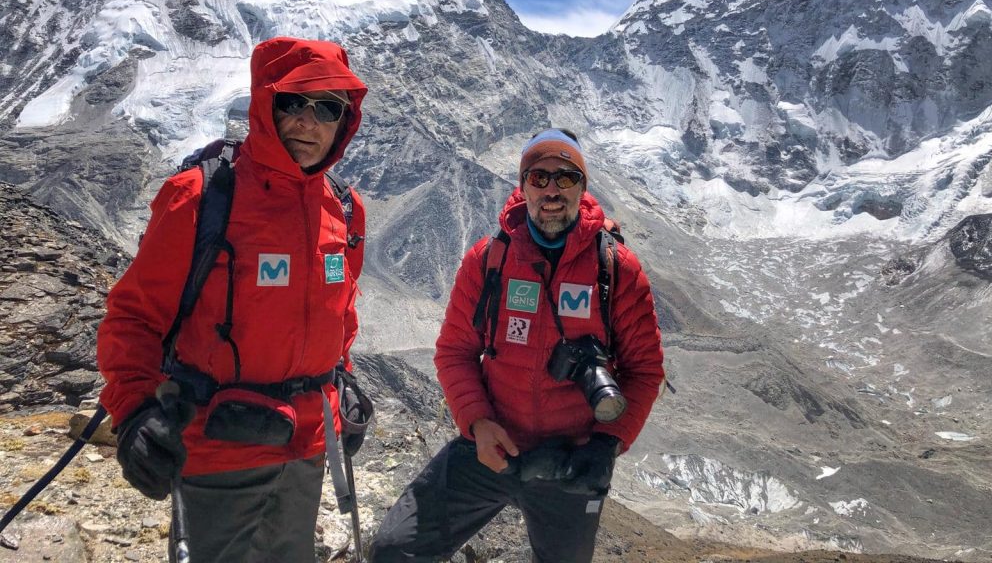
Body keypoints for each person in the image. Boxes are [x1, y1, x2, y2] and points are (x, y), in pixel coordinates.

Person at [97, 37, 369, 562]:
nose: (310, 122)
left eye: (328, 109)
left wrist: (344, 378)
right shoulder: (200, 196)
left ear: (345, 120)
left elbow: (341, 315)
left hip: (310, 442)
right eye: (294, 103)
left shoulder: (345, 209)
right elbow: (133, 317)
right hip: (217, 445)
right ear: (265, 104)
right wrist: (132, 411)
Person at [369, 128, 665, 563]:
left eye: (565, 177)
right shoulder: (490, 259)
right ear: (522, 185)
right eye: (538, 177)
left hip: (573, 460)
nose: (551, 189)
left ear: (582, 187)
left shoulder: (615, 268)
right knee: (395, 550)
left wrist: (606, 445)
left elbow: (644, 369)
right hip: (492, 446)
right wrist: (477, 423)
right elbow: (455, 351)